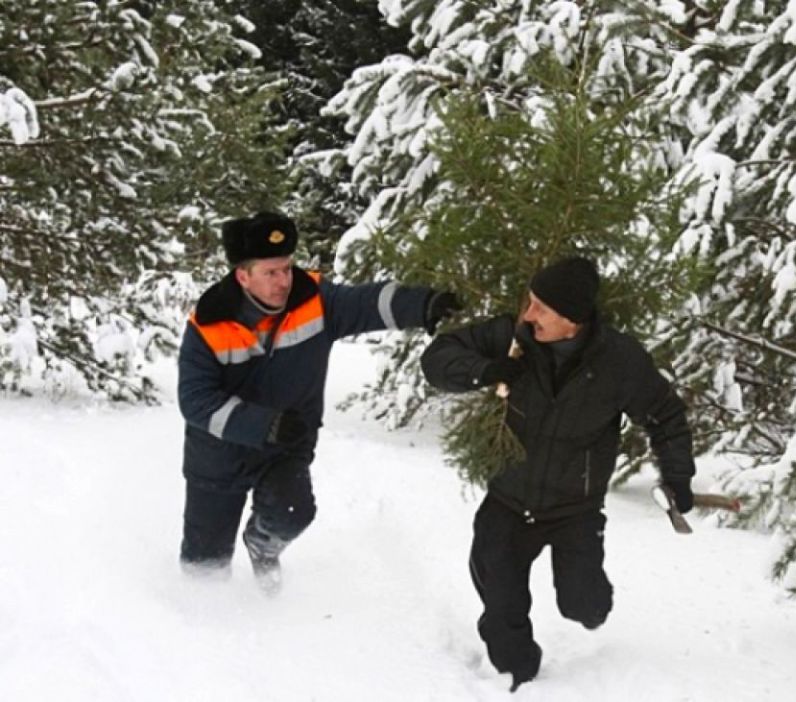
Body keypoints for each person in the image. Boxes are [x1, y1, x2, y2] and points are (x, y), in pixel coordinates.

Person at [420, 257, 695, 691]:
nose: (528, 315)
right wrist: (485, 370)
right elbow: (437, 358)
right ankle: (521, 682)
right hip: (509, 503)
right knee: (502, 613)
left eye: (540, 308)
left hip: (575, 510)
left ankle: (587, 603)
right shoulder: (513, 339)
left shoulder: (619, 361)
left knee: (586, 607)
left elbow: (666, 415)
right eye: (529, 303)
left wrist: (677, 477)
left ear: (572, 319)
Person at [177, 211, 458, 594]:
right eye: (271, 273)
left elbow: (367, 303)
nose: (283, 281)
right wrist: (263, 425)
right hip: (219, 456)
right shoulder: (208, 324)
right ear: (243, 276)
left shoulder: (314, 299)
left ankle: (261, 546)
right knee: (204, 569)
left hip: (285, 445)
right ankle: (200, 634)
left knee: (293, 514)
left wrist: (423, 304)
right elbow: (196, 401)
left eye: (287, 268)